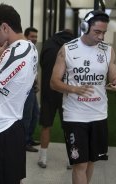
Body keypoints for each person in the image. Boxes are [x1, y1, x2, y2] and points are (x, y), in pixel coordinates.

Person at [50, 10, 116, 184]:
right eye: (97, 32)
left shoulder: (108, 51)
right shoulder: (67, 50)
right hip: (75, 115)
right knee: (80, 163)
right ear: (84, 27)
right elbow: (53, 82)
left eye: (104, 33)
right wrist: (74, 89)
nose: (101, 37)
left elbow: (115, 77)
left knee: (91, 161)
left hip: (99, 114)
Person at [0, 4, 38, 184]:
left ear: (5, 27)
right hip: (7, 126)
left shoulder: (17, 52)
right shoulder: (26, 48)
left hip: (0, 129)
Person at [37, 30, 75, 168]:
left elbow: (41, 63)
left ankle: (43, 158)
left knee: (46, 125)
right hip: (67, 91)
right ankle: (71, 159)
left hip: (49, 90)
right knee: (69, 127)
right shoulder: (73, 46)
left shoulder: (48, 44)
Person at [22, 27, 40, 152]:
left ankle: (29, 138)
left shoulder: (33, 49)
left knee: (35, 114)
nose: (34, 39)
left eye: (35, 37)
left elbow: (34, 69)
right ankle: (23, 142)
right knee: (27, 116)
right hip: (25, 89)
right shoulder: (23, 49)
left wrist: (37, 83)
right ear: (25, 36)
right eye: (32, 36)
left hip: (32, 86)